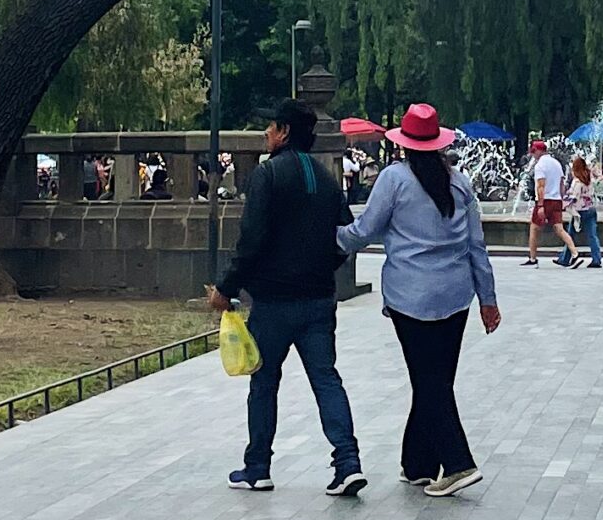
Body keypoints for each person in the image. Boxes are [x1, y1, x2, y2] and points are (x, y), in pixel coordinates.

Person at [336, 104, 499, 497]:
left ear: (404, 145)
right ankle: (419, 463)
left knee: (429, 382)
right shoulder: (459, 182)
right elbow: (477, 246)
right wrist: (487, 299)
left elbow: (366, 229)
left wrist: (332, 238)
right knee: (436, 379)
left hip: (410, 294)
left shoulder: (393, 179)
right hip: (456, 293)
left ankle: (459, 463)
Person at [207, 99, 362, 496]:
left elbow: (251, 240)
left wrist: (227, 288)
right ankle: (347, 462)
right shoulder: (327, 181)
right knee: (326, 379)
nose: (266, 133)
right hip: (317, 299)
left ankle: (257, 466)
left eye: (272, 127)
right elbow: (346, 237)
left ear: (285, 132)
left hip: (273, 301)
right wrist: (322, 264)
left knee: (264, 382)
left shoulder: (268, 175)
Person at [522, 139, 577, 268]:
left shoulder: (540, 165)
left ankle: (533, 258)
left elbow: (540, 186)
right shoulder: (556, 163)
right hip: (557, 199)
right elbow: (562, 183)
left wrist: (540, 205)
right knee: (559, 228)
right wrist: (562, 199)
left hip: (545, 200)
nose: (533, 155)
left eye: (534, 152)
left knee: (534, 228)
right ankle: (575, 253)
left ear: (539, 151)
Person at [564, 155, 601, 269]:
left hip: (579, 212)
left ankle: (565, 259)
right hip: (591, 209)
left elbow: (574, 196)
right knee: (592, 236)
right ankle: (596, 259)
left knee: (570, 235)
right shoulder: (589, 177)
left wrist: (565, 200)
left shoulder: (577, 181)